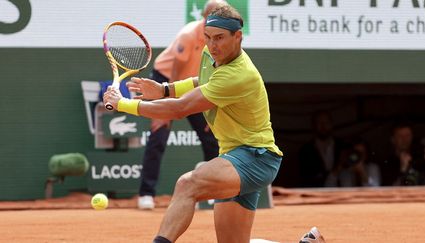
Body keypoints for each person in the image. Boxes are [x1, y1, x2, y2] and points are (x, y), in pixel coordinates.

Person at [104, 4, 324, 243]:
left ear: (237, 37)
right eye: (208, 38)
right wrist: (165, 88)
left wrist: (122, 104)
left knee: (188, 184)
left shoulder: (239, 75)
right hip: (237, 155)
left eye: (219, 38)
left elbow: (179, 109)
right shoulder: (212, 55)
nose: (212, 45)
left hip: (256, 157)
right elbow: (203, 79)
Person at [136, 0, 222, 210]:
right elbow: (175, 73)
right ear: (206, 18)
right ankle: (146, 194)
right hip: (164, 80)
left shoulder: (222, 40)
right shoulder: (188, 35)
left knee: (211, 137)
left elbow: (218, 76)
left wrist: (213, 110)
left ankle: (213, 192)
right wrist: (167, 105)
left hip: (194, 83)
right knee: (158, 134)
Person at [298, 111, 348, 187]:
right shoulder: (306, 150)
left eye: (326, 122)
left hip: (342, 192)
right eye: (319, 123)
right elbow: (306, 177)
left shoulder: (342, 146)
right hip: (317, 193)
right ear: (313, 125)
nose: (323, 126)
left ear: (331, 124)